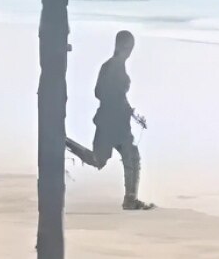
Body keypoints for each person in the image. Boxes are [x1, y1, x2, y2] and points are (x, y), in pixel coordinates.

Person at [65, 30, 155, 211]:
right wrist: (121, 104)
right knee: (126, 157)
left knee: (105, 159)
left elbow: (100, 92)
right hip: (113, 122)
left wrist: (126, 107)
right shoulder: (114, 66)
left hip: (109, 120)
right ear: (123, 47)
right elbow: (105, 93)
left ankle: (65, 142)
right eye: (128, 47)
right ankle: (130, 199)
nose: (130, 51)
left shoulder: (110, 66)